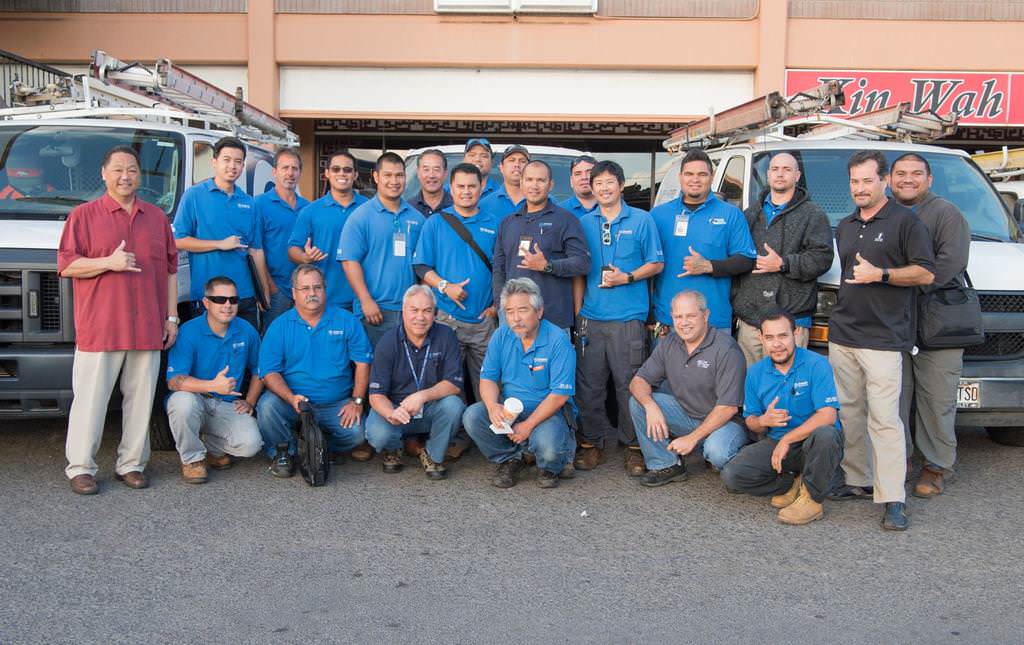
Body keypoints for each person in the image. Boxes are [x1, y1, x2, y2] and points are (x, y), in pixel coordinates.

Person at [57, 145, 179, 494]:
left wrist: (171, 317)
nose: (125, 176)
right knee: (90, 402)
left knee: (140, 402)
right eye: (118, 170)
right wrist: (108, 263)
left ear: (140, 175)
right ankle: (81, 467)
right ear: (104, 174)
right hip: (101, 327)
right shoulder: (83, 216)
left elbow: (170, 271)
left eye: (132, 170)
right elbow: (67, 265)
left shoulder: (156, 218)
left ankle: (132, 464)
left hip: (147, 326)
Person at [827, 150, 935, 531]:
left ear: (884, 181)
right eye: (854, 181)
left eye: (867, 180)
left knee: (885, 420)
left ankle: (893, 498)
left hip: (884, 338)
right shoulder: (845, 225)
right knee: (850, 412)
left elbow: (925, 274)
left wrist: (883, 275)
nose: (860, 188)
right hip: (844, 335)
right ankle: (858, 479)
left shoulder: (906, 222)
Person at [573, 160, 664, 476]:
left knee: (630, 384)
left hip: (628, 318)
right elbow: (578, 272)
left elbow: (656, 263)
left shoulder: (641, 220)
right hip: (591, 318)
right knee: (589, 385)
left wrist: (627, 277)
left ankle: (634, 447)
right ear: (592, 187)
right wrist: (578, 314)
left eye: (610, 182)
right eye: (598, 183)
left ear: (621, 185)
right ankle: (591, 443)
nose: (604, 188)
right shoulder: (583, 223)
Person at [892, 153, 971, 498]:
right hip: (894, 323)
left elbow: (949, 263)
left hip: (937, 324)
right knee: (894, 400)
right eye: (900, 173)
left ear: (929, 179)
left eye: (916, 173)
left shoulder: (946, 214)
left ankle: (936, 467)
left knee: (936, 401)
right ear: (890, 179)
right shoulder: (886, 213)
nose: (907, 179)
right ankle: (898, 462)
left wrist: (895, 281)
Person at [721, 310, 843, 525]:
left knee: (826, 434)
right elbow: (751, 421)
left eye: (783, 336)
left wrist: (787, 439)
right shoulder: (755, 373)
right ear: (761, 338)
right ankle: (794, 482)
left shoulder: (817, 364)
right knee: (732, 475)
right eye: (769, 337)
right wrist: (763, 421)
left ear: (795, 333)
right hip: (777, 443)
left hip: (812, 444)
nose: (777, 344)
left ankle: (812, 500)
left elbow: (828, 415)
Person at [413, 162, 501, 459]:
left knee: (488, 382)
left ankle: (492, 439)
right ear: (451, 188)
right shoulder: (436, 223)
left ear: (481, 188)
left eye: (471, 186)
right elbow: (421, 266)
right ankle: (456, 438)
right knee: (449, 383)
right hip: (446, 319)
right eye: (460, 186)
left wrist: (496, 305)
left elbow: (502, 268)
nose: (466, 191)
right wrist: (445, 286)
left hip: (484, 321)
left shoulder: (494, 223)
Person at [256, 264, 373, 478]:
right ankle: (284, 451)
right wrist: (291, 398)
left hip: (335, 403)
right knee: (267, 407)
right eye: (305, 288)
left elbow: (363, 363)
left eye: (317, 287)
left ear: (325, 290)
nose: (312, 293)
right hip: (293, 402)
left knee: (357, 434)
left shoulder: (347, 320)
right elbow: (269, 372)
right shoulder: (280, 326)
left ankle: (321, 447)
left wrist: (357, 401)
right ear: (294, 293)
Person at [463, 278, 577, 489]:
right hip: (512, 410)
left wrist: (528, 425)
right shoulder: (501, 335)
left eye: (523, 310)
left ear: (539, 311)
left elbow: (559, 396)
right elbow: (487, 379)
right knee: (472, 416)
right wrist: (492, 406)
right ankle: (511, 458)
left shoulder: (558, 340)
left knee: (550, 452)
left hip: (547, 414)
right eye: (509, 311)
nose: (515, 318)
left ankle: (552, 462)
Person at [628, 290, 747, 487]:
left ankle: (737, 454)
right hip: (688, 415)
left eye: (690, 316)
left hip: (726, 423)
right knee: (638, 402)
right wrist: (650, 406)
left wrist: (692, 438)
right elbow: (638, 381)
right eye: (678, 317)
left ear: (705, 315)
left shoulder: (726, 349)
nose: (684, 323)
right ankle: (666, 464)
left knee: (717, 452)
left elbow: (728, 408)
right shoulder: (670, 342)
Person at [732, 152, 834, 365]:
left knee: (789, 381)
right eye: (775, 169)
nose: (780, 174)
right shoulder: (750, 214)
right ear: (768, 175)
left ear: (797, 176)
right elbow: (736, 257)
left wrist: (783, 263)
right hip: (751, 322)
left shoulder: (813, 214)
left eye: (787, 169)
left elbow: (822, 258)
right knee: (753, 381)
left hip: (792, 321)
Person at [165, 277, 263, 484]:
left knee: (251, 445)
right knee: (181, 403)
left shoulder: (246, 330)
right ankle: (192, 460)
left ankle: (211, 447)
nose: (227, 305)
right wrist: (211, 385)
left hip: (226, 404)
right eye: (220, 299)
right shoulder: (189, 331)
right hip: (195, 399)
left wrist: (250, 401)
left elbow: (259, 370)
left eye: (233, 300)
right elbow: (173, 381)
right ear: (206, 303)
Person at [650, 148, 756, 334]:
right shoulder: (658, 215)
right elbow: (646, 265)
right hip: (668, 320)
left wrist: (709, 266)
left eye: (702, 174)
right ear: (680, 177)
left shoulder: (731, 214)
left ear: (712, 177)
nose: (695, 179)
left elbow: (746, 259)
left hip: (714, 320)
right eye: (689, 174)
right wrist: (650, 315)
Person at [365, 285, 466, 479]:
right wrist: (391, 413)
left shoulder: (446, 335)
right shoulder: (387, 341)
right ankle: (394, 448)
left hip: (429, 408)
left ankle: (432, 454)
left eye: (427, 311)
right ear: (403, 311)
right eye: (414, 310)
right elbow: (376, 395)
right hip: (397, 410)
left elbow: (454, 384)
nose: (420, 317)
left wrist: (422, 396)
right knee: (377, 433)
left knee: (454, 405)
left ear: (435, 313)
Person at [173, 136, 271, 330]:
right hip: (208, 296)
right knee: (208, 347)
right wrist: (219, 244)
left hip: (244, 296)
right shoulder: (194, 195)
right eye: (226, 160)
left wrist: (264, 292)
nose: (232, 166)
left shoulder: (248, 202)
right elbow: (178, 240)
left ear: (243, 166)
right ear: (214, 162)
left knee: (246, 347)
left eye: (238, 161)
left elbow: (256, 250)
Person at [492, 160, 591, 331]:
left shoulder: (566, 220)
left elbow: (583, 263)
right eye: (529, 180)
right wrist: (502, 306)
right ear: (521, 183)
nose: (534, 185)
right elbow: (499, 269)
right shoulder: (508, 223)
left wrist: (548, 266)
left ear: (550, 185)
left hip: (553, 320)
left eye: (541, 180)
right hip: (513, 321)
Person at [339, 151, 424, 347]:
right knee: (376, 365)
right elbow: (349, 262)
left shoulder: (417, 218)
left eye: (399, 175)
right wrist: (366, 300)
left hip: (409, 311)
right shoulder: (361, 217)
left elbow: (423, 265)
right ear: (376, 177)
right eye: (388, 175)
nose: (394, 181)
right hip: (375, 311)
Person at [288, 150, 368, 312]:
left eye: (347, 170)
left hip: (365, 299)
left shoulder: (369, 208)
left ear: (355, 175)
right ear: (327, 173)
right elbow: (292, 249)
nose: (342, 173)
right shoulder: (311, 211)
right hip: (326, 298)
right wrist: (305, 257)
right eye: (336, 169)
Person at [255, 148, 310, 328]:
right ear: (274, 172)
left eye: (295, 168)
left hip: (304, 290)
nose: (290, 173)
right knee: (274, 338)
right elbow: (255, 249)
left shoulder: (308, 207)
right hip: (276, 291)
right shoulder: (260, 205)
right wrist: (269, 286)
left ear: (300, 173)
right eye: (285, 168)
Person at [479, 144, 530, 218]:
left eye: (522, 161)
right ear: (501, 167)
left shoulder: (544, 202)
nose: (517, 165)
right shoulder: (484, 205)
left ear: (529, 168)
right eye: (511, 160)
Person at [410, 149, 452, 218]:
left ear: (445, 173)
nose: (431, 175)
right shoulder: (409, 208)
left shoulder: (458, 207)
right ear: (418, 173)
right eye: (426, 170)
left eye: (436, 169)